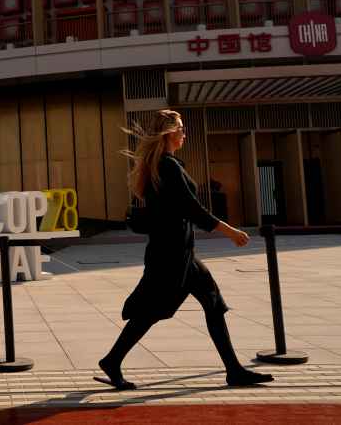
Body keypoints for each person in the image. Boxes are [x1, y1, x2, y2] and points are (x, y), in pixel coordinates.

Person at [95, 109, 273, 389]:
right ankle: (113, 359)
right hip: (171, 256)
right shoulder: (167, 166)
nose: (184, 134)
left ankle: (234, 370)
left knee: (213, 305)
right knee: (152, 312)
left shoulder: (163, 165)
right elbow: (193, 209)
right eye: (180, 129)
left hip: (179, 254)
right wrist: (231, 232)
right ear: (168, 133)